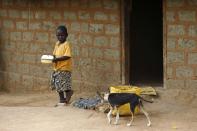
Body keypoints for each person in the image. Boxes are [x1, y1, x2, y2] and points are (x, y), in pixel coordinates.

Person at [51, 25, 73, 106]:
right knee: (57, 84)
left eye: (62, 35)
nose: (60, 37)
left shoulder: (67, 44)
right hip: (56, 68)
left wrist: (57, 59)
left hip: (64, 68)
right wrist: (51, 58)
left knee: (63, 84)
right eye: (58, 35)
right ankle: (63, 97)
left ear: (66, 35)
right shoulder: (57, 44)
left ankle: (66, 95)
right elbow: (54, 54)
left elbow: (67, 56)